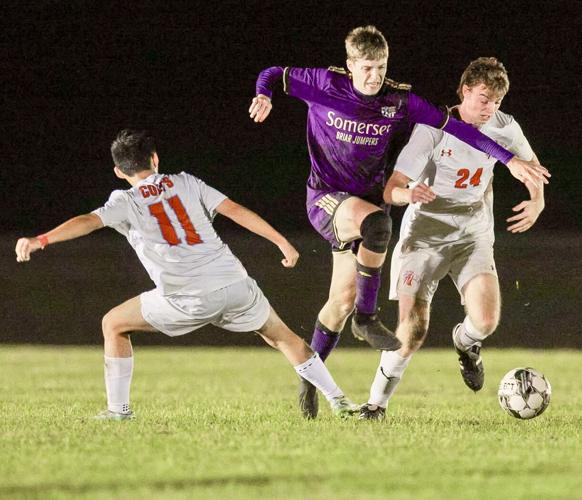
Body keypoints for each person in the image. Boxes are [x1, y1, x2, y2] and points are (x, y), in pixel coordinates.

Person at [248, 26, 550, 419]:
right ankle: (368, 325)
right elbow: (272, 73)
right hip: (331, 198)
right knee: (379, 231)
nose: (374, 76)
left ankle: (311, 376)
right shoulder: (325, 84)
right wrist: (263, 94)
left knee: (341, 299)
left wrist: (511, 164)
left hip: (388, 210)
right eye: (367, 68)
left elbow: (464, 133)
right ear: (351, 65)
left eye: (381, 67)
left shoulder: (400, 101)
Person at [15, 129, 359, 420]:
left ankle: (118, 411)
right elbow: (235, 210)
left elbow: (88, 221)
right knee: (283, 337)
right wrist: (282, 242)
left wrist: (41, 239)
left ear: (119, 171)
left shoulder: (125, 200)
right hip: (236, 284)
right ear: (155, 159)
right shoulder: (187, 182)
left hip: (187, 298)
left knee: (113, 324)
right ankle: (339, 401)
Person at [359, 57, 545, 420]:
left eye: (496, 101)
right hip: (424, 234)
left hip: (472, 234)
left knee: (487, 321)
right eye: (482, 98)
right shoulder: (433, 129)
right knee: (412, 330)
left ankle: (465, 343)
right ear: (463, 92)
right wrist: (407, 195)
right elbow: (392, 188)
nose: (489, 108)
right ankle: (375, 404)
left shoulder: (505, 127)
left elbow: (532, 168)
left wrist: (537, 201)